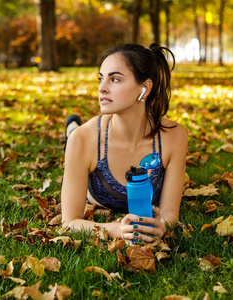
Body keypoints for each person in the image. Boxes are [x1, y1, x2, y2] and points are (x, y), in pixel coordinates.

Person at [61, 43, 187, 243]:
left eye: (115, 79)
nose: (102, 88)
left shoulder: (174, 136)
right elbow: (69, 223)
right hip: (85, 140)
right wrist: (115, 229)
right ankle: (71, 127)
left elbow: (170, 213)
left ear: (144, 88)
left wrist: (161, 226)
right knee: (74, 136)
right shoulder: (83, 140)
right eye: (101, 79)